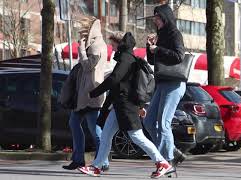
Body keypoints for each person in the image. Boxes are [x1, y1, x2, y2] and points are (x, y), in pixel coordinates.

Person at [77, 32, 173, 178]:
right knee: (106, 137)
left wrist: (94, 92)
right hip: (119, 105)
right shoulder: (126, 57)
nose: (111, 47)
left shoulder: (125, 59)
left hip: (127, 105)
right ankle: (96, 167)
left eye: (113, 44)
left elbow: (114, 79)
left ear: (119, 43)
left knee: (136, 136)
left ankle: (162, 162)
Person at [143, 3, 187, 167]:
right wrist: (150, 47)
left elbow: (179, 56)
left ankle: (166, 161)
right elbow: (151, 60)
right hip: (162, 83)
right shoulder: (160, 35)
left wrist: (158, 49)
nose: (155, 21)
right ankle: (172, 151)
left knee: (163, 123)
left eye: (158, 17)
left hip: (174, 83)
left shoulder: (175, 34)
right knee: (148, 122)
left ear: (165, 18)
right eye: (154, 18)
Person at [62, 18, 109, 170]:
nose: (82, 36)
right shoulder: (94, 45)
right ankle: (78, 159)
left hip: (91, 94)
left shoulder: (97, 47)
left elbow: (89, 66)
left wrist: (82, 49)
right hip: (83, 94)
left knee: (95, 129)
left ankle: (103, 161)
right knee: (75, 123)